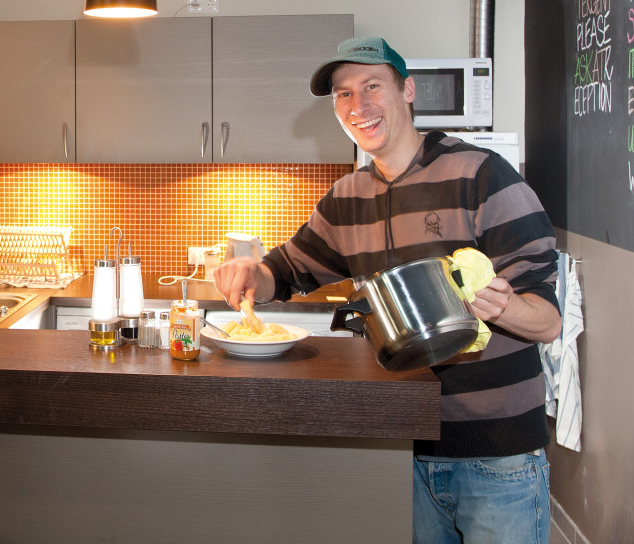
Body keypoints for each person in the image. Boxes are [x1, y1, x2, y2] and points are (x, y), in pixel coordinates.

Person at [212, 36, 562, 544]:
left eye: (371, 86)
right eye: (343, 94)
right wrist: (251, 272)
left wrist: (503, 307)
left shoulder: (481, 176)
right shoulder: (347, 198)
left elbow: (548, 319)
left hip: (496, 453)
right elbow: (285, 272)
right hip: (400, 448)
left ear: (408, 91)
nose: (358, 106)